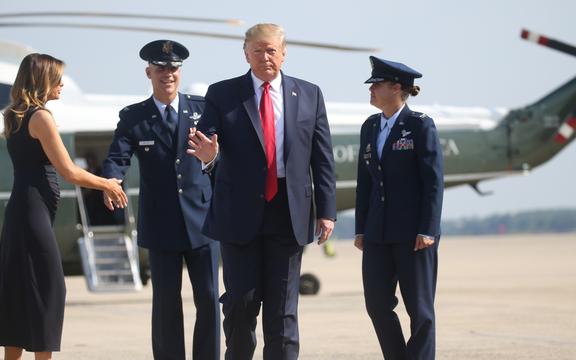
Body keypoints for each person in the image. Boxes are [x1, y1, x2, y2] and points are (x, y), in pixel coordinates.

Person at [188, 23, 337, 360]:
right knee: (240, 305)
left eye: (271, 50)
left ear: (283, 54)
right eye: (258, 50)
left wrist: (326, 211)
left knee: (283, 311)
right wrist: (211, 159)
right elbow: (207, 142)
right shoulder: (223, 94)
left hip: (289, 213)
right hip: (239, 214)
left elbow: (322, 157)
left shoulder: (309, 94)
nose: (265, 56)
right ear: (246, 55)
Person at [0, 53, 128, 360]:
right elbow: (69, 171)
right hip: (33, 211)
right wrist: (108, 183)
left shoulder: (15, 115)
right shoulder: (41, 117)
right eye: (57, 78)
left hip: (22, 209)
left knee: (20, 291)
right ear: (42, 80)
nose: (62, 84)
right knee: (48, 292)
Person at [102, 40, 220, 360]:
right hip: (161, 224)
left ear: (180, 72)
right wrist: (111, 180)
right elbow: (118, 157)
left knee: (209, 299)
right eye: (161, 68)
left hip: (204, 223)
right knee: (166, 303)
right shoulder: (134, 117)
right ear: (148, 72)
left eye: (173, 68)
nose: (167, 74)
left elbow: (222, 155)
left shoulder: (202, 109)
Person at [354, 56, 444, 360]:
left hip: (414, 235)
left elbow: (433, 182)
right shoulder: (370, 127)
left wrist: (428, 229)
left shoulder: (420, 126)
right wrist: (361, 229)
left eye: (376, 85)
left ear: (396, 88)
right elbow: (364, 182)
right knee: (377, 305)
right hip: (378, 233)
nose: (371, 90)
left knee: (420, 311)